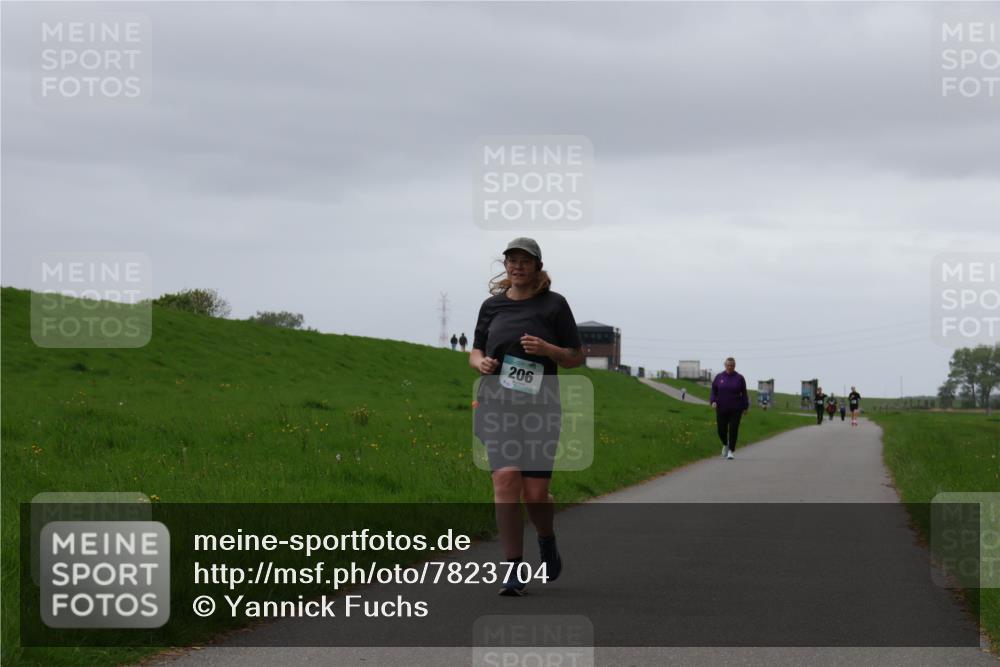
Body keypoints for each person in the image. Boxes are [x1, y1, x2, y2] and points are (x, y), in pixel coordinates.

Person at [470, 237, 583, 596]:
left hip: (540, 408)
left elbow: (575, 357)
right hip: (496, 404)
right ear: (505, 266)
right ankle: (513, 568)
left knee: (535, 495)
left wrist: (548, 349)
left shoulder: (554, 305)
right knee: (506, 479)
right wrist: (481, 363)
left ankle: (546, 539)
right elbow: (475, 351)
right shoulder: (491, 306)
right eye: (511, 260)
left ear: (537, 266)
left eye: (524, 261)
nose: (517, 266)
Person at [710, 357, 749, 460]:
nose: (730, 367)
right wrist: (713, 401)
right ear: (725, 365)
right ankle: (725, 444)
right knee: (721, 430)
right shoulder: (719, 377)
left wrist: (745, 407)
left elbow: (744, 393)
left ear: (734, 366)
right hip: (721, 408)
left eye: (732, 365)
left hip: (736, 409)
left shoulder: (739, 378)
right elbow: (714, 390)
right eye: (728, 365)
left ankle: (731, 451)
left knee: (733, 429)